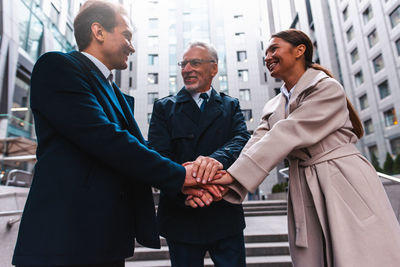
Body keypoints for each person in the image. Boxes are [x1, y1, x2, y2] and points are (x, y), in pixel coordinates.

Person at [12, 1, 203, 267]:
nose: (132, 46)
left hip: (105, 240)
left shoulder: (114, 92)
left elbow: (137, 148)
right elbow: (107, 139)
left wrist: (184, 175)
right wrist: (180, 176)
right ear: (98, 31)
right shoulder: (57, 66)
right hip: (63, 241)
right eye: (126, 35)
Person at [210, 29, 400, 267]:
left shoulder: (327, 88)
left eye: (273, 49)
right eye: (265, 53)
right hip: (304, 185)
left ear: (300, 50)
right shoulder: (272, 105)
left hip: (343, 178)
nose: (267, 57)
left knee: (358, 254)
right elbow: (256, 142)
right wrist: (227, 178)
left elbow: (290, 131)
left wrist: (232, 176)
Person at [148, 42, 250, 267]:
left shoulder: (230, 105)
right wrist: (190, 190)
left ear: (214, 68)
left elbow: (241, 141)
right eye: (183, 63)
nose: (187, 69)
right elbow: (158, 155)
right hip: (181, 214)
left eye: (195, 62)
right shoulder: (164, 108)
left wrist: (214, 161)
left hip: (224, 212)